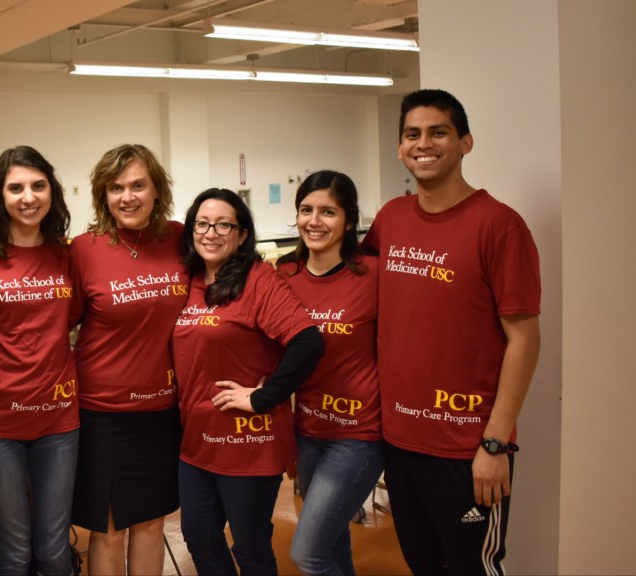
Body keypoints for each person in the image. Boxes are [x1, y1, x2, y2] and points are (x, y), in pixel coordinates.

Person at [361, 89, 541, 575]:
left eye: (438, 132)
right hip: (399, 443)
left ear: (465, 142)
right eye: (412, 134)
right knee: (424, 564)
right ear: (399, 148)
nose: (424, 143)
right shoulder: (390, 220)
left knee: (472, 568)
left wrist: (495, 444)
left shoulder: (499, 226)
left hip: (467, 448)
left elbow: (524, 339)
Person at [171, 188, 324, 576]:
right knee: (199, 537)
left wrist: (264, 397)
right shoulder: (187, 281)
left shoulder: (259, 281)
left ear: (241, 235)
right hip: (197, 441)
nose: (211, 233)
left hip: (248, 441)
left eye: (224, 224)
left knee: (251, 545)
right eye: (202, 223)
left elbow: (307, 341)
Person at [0, 146, 79, 576]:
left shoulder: (66, 254)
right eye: (16, 187)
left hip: (59, 420)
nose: (28, 197)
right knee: (14, 554)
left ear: (51, 191)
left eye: (38, 185)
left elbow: (81, 315)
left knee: (55, 550)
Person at [68, 144, 186, 575]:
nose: (127, 197)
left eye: (138, 185)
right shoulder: (84, 249)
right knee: (109, 529)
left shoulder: (177, 238)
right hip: (103, 414)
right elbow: (54, 320)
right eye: (115, 188)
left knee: (152, 524)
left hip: (160, 412)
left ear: (157, 191)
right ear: (103, 195)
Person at [276, 170, 383, 575]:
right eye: (306, 210)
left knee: (308, 553)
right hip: (307, 432)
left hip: (357, 436)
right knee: (335, 547)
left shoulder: (373, 275)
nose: (314, 221)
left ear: (350, 221)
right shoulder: (284, 275)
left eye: (328, 212)